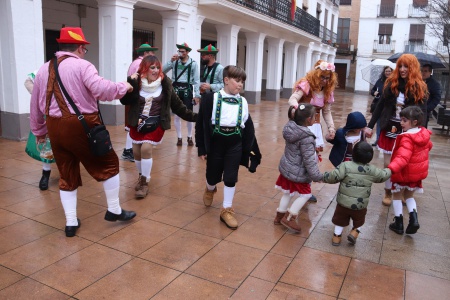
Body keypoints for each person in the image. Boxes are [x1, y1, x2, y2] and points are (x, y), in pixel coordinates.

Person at [29, 27, 136, 238]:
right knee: (109, 164)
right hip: (82, 125)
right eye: (84, 49)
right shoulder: (82, 65)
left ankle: (70, 223)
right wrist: (125, 86)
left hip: (55, 127)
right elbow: (103, 90)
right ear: (80, 47)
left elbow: (35, 104)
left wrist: (39, 131)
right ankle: (114, 209)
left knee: (66, 173)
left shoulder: (43, 69)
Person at [120, 56, 197, 199]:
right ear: (144, 69)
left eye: (157, 67)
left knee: (146, 148)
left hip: (156, 123)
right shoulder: (137, 83)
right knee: (136, 151)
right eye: (152, 67)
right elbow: (124, 101)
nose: (155, 71)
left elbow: (178, 106)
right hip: (137, 124)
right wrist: (129, 82)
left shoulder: (165, 84)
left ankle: (144, 182)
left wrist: (197, 117)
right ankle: (141, 175)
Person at [196, 65, 256, 230]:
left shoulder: (243, 101)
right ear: (226, 80)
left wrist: (250, 150)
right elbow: (201, 124)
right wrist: (201, 147)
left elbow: (248, 127)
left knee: (231, 176)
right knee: (212, 174)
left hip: (234, 142)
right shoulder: (210, 99)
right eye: (237, 81)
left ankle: (226, 209)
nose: (240, 84)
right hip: (216, 142)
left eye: (242, 81)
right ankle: (210, 188)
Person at [365, 54, 427, 207]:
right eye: (400, 66)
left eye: (406, 66)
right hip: (389, 127)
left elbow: (423, 112)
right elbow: (380, 106)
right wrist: (370, 125)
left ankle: (403, 190)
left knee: (404, 164)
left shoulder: (419, 87)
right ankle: (388, 191)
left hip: (408, 131)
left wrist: (422, 133)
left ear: (412, 68)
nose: (402, 69)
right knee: (388, 164)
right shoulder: (390, 83)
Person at [323, 141, 391, 246]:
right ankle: (354, 233)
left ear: (353, 154)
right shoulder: (372, 170)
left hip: (343, 203)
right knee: (359, 220)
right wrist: (390, 169)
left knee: (339, 220)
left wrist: (323, 177)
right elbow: (382, 176)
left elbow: (333, 177)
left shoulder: (345, 166)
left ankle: (336, 238)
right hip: (360, 205)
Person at [288, 59, 338, 202]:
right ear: (316, 74)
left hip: (315, 127)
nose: (324, 80)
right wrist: (299, 110)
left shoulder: (327, 91)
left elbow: (326, 112)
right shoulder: (306, 84)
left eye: (327, 78)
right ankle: (293, 186)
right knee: (298, 158)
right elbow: (292, 99)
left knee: (312, 159)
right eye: (322, 77)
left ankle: (306, 189)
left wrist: (331, 128)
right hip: (301, 125)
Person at [273, 104, 323, 233]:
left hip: (287, 168)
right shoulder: (306, 137)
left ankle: (279, 217)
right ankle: (289, 217)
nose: (316, 118)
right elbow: (309, 160)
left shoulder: (291, 127)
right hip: (298, 172)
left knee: (287, 193)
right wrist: (316, 176)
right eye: (315, 116)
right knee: (306, 194)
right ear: (308, 119)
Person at [387, 106, 432, 235]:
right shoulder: (423, 134)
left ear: (414, 122)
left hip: (403, 172)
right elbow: (429, 147)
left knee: (396, 195)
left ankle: (399, 223)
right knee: (409, 196)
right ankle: (414, 220)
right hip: (416, 174)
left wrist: (391, 169)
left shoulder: (406, 137)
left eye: (404, 120)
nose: (401, 123)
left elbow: (402, 157)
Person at [122, 43, 159, 162]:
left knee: (132, 124)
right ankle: (128, 151)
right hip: (137, 98)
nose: (153, 54)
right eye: (151, 52)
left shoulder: (134, 62)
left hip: (133, 96)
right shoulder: (140, 64)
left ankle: (129, 150)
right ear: (145, 53)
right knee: (133, 124)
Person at [163, 42, 200, 146]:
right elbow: (162, 71)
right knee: (177, 115)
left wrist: (197, 95)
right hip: (176, 90)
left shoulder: (193, 63)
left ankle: (189, 136)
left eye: (183, 51)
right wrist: (170, 61)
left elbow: (197, 80)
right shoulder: (174, 62)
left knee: (189, 114)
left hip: (187, 89)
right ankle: (179, 137)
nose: (181, 53)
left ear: (187, 52)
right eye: (180, 51)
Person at [24, 70, 56, 190]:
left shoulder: (70, 71)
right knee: (46, 145)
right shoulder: (43, 71)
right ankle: (45, 174)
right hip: (47, 113)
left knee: (67, 144)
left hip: (66, 115)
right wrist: (39, 94)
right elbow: (28, 81)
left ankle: (67, 173)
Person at [370, 66, 393, 146]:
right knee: (378, 122)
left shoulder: (393, 82)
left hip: (387, 106)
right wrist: (374, 93)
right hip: (378, 105)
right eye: (386, 71)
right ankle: (378, 139)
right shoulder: (380, 81)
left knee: (386, 123)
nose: (388, 73)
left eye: (389, 71)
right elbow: (372, 90)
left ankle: (384, 139)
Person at [421, 63, 442, 128]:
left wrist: (427, 109)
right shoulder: (418, 81)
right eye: (422, 70)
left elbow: (436, 99)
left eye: (425, 71)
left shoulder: (435, 84)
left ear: (430, 72)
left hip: (424, 113)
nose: (423, 73)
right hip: (414, 110)